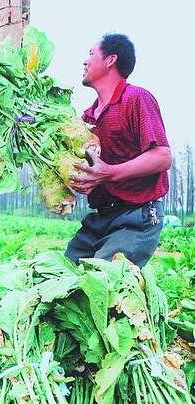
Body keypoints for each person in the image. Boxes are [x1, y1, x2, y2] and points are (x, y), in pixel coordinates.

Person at [65, 34, 172, 268]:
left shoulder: (136, 99)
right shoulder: (87, 118)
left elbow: (163, 156)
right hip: (101, 217)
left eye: (91, 54)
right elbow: (89, 171)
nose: (84, 61)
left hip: (137, 216)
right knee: (63, 275)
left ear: (110, 60)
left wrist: (110, 173)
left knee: (102, 282)